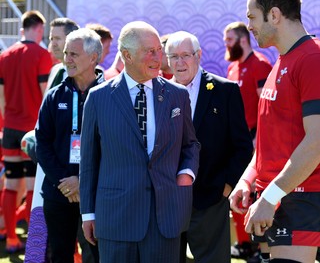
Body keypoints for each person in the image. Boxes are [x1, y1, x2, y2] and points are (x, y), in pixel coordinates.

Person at [229, 0, 320, 263]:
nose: (250, 26)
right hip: (275, 194)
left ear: (275, 15)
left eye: (252, 17)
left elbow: (318, 143)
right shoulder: (282, 61)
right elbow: (268, 143)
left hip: (300, 195)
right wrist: (247, 180)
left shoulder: (316, 61)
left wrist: (269, 197)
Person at [79, 21, 200, 263]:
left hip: (164, 218)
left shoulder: (177, 95)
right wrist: (88, 213)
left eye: (159, 49)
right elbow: (89, 161)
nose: (159, 58)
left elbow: (190, 145)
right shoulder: (99, 98)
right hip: (116, 219)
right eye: (150, 51)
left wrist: (186, 173)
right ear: (127, 56)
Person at [165, 31, 253, 263]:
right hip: (167, 201)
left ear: (199, 55)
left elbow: (243, 147)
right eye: (173, 56)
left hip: (210, 199)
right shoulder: (159, 93)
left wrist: (225, 187)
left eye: (186, 55)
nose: (180, 62)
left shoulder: (225, 91)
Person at [35, 28, 103, 263]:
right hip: (59, 191)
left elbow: (116, 148)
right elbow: (41, 142)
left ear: (93, 57)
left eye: (74, 53)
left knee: (95, 256)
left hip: (96, 194)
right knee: (60, 255)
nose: (67, 59)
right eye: (66, 53)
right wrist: (65, 181)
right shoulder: (55, 95)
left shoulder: (110, 95)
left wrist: (83, 183)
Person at [0, 10, 53, 253]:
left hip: (10, 127)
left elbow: (1, 98)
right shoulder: (42, 55)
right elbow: (46, 95)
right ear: (40, 29)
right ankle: (35, 245)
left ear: (23, 28)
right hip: (32, 131)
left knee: (11, 184)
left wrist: (8, 119)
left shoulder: (5, 55)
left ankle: (11, 237)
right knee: (33, 188)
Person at [223, 21, 272, 260]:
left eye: (229, 39)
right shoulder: (233, 68)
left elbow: (267, 109)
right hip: (234, 142)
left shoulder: (260, 65)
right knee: (237, 190)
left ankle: (258, 244)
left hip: (253, 142)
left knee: (253, 193)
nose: (226, 44)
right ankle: (243, 243)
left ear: (243, 39)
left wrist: (257, 140)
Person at [46, 17, 80, 91]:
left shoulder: (86, 72)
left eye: (57, 38)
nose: (53, 44)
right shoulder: (55, 71)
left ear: (72, 40)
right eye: (51, 39)